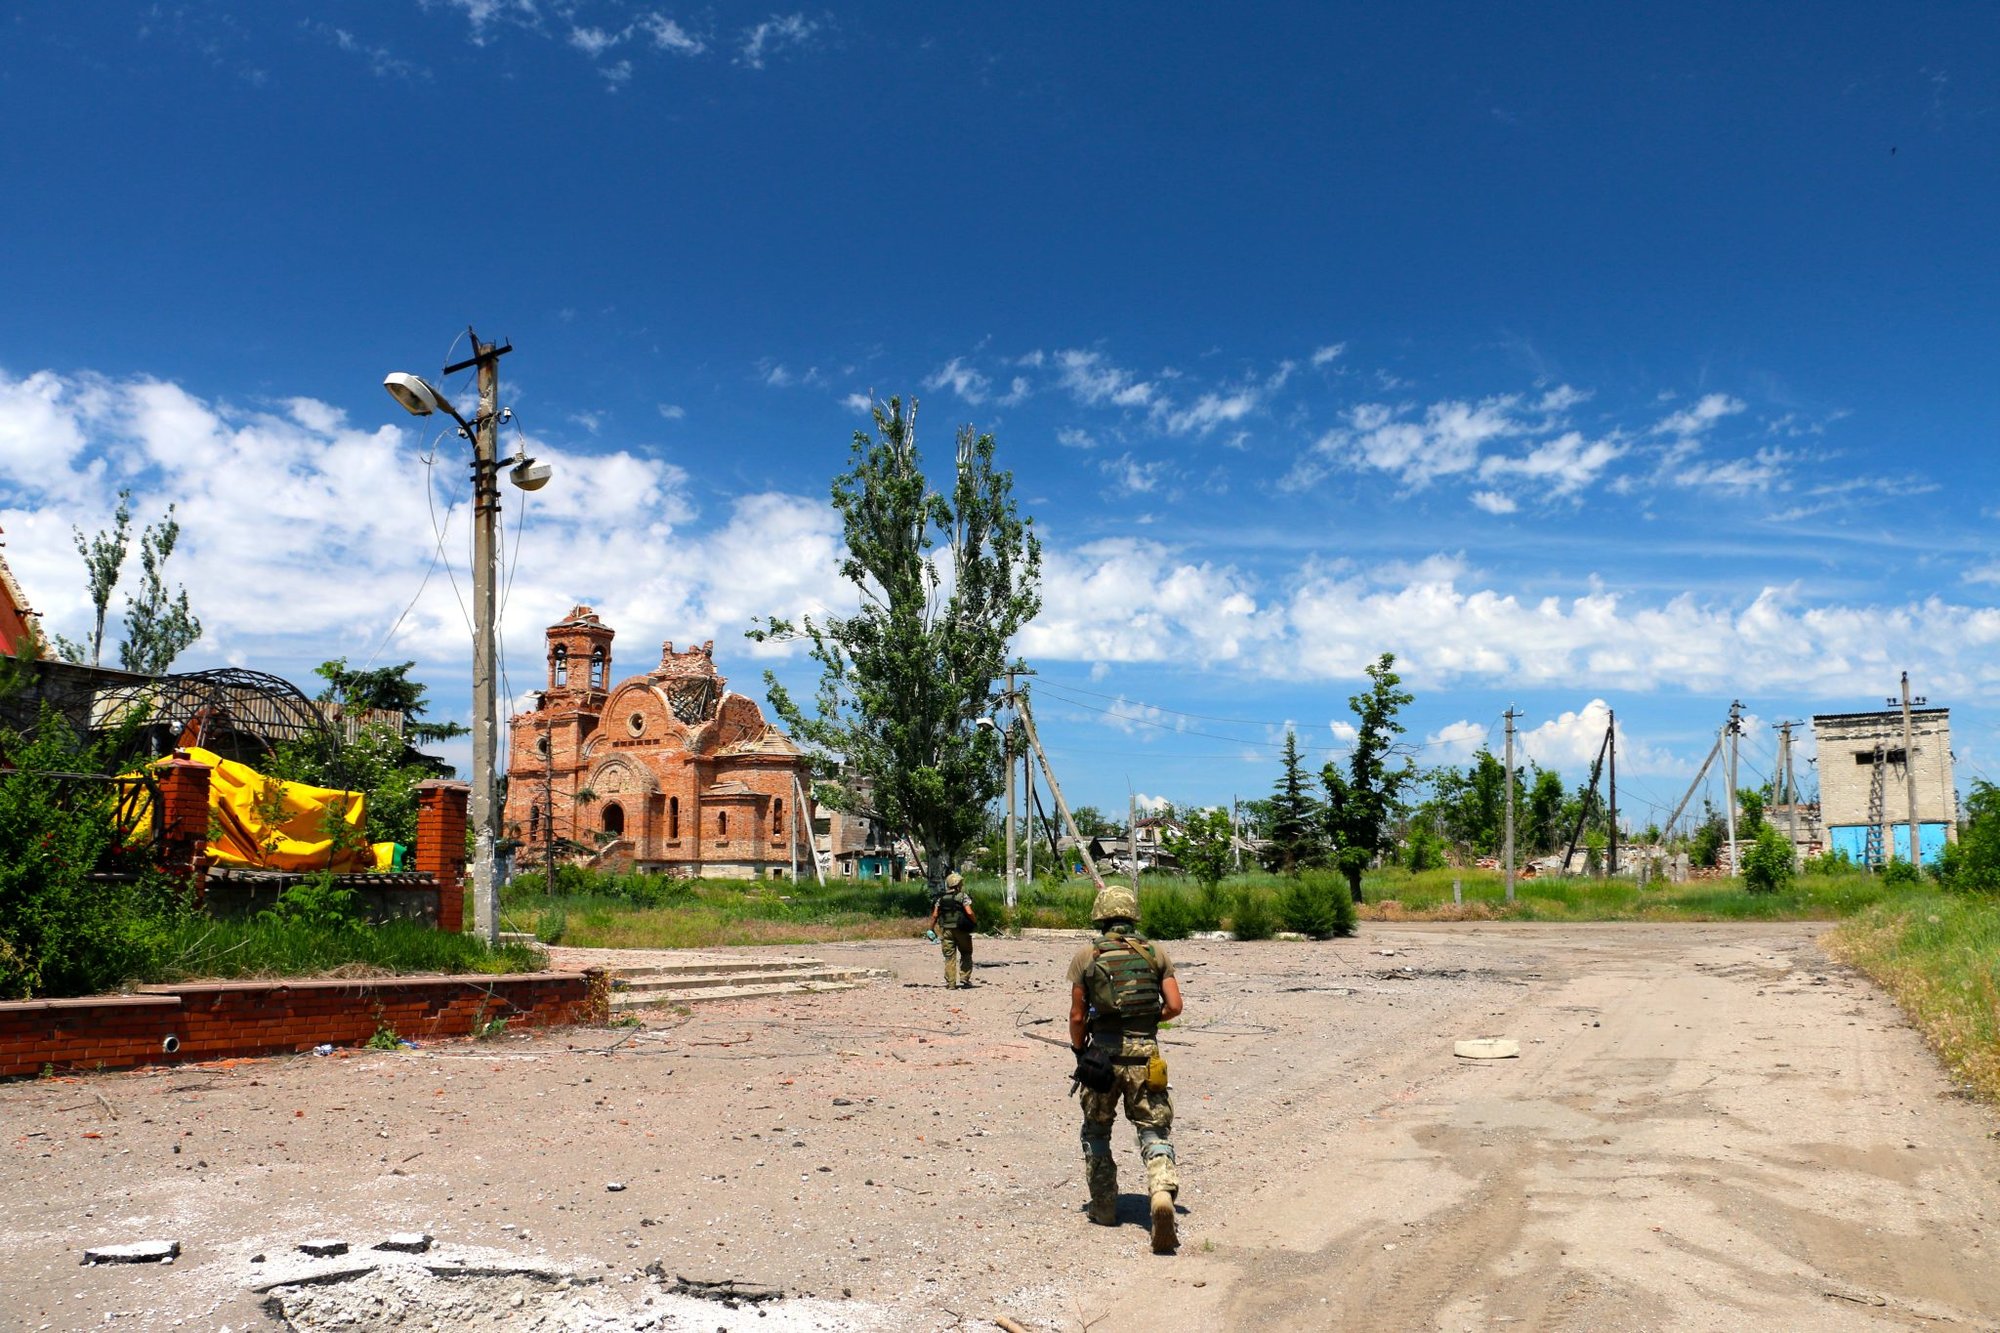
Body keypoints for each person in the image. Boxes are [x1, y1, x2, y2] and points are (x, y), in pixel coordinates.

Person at [1068, 884, 1183, 1253]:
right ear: (1133, 915)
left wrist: (1078, 1049)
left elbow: (1075, 1016)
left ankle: (1103, 1207)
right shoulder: (1155, 953)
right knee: (1153, 1130)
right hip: (1146, 1055)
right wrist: (1147, 1022)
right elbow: (1175, 1006)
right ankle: (1161, 1192)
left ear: (1100, 916)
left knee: (1097, 1131)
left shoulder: (1087, 955)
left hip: (1101, 1056)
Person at [927, 871, 977, 988]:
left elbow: (935, 915)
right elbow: (969, 912)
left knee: (949, 956)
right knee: (966, 953)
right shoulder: (962, 896)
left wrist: (931, 929)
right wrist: (974, 921)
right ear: (958, 884)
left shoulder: (941, 899)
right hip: (961, 929)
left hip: (946, 930)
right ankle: (964, 977)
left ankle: (951, 983)